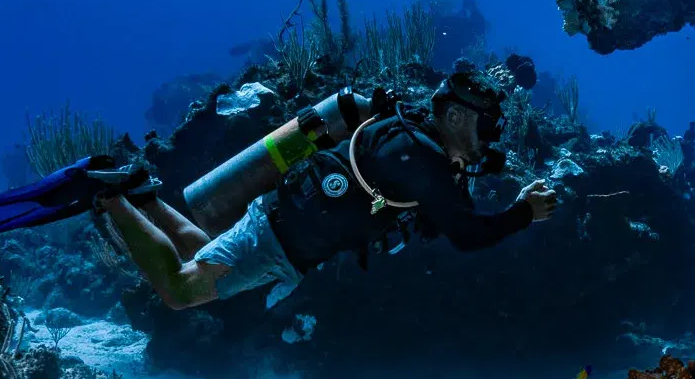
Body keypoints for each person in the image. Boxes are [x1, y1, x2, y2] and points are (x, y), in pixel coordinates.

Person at [96, 68, 557, 309]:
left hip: (287, 234)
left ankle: (143, 196)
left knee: (205, 256)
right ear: (455, 117)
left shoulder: (414, 133)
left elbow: (447, 211)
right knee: (181, 291)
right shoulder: (418, 155)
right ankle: (111, 198)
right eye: (490, 126)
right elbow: (466, 234)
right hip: (279, 235)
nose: (493, 137)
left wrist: (468, 165)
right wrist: (524, 212)